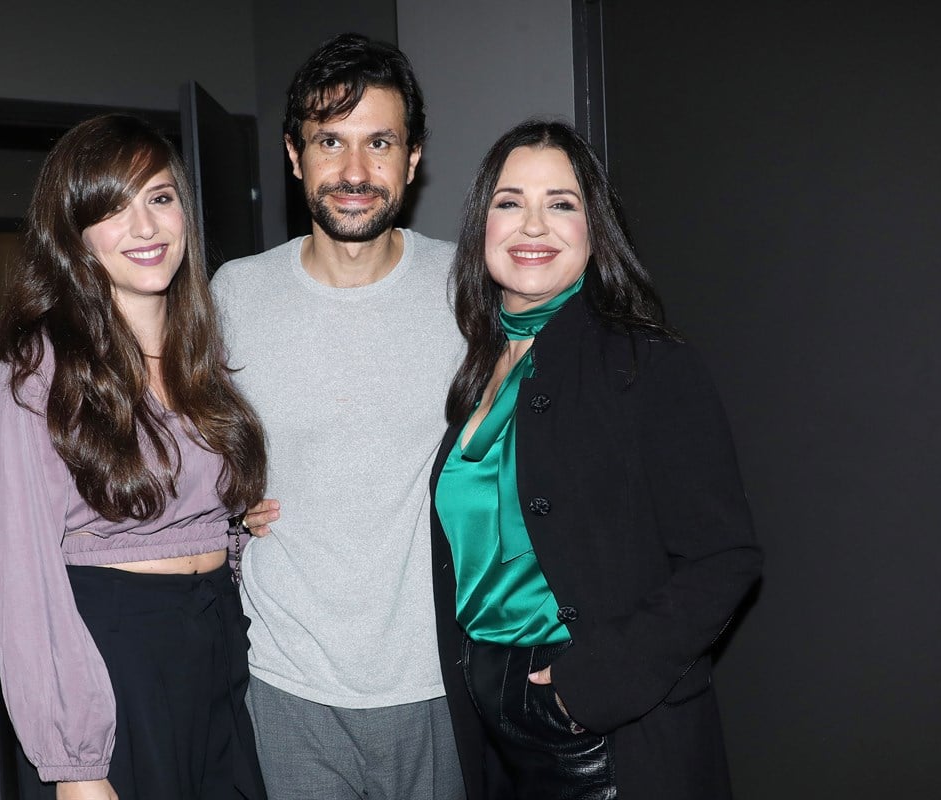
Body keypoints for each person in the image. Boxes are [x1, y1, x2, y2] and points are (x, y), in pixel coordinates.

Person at [430, 119, 763, 800]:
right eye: (510, 202)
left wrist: (592, 686)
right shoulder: (473, 372)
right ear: (482, 225)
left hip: (603, 735)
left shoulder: (648, 364)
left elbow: (725, 558)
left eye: (561, 203)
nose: (533, 225)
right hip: (491, 736)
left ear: (593, 230)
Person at [0, 114, 268, 800]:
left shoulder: (207, 356)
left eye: (160, 198)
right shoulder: (37, 373)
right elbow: (23, 580)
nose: (145, 227)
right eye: (112, 209)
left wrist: (242, 528)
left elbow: (200, 506)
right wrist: (75, 763)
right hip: (113, 657)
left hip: (217, 640)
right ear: (74, 234)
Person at [211, 33, 466, 800]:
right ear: (295, 156)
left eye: (379, 143)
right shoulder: (234, 295)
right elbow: (186, 453)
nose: (355, 171)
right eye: (330, 141)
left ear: (413, 159)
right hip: (286, 683)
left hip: (439, 683)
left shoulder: (467, 289)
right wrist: (226, 510)